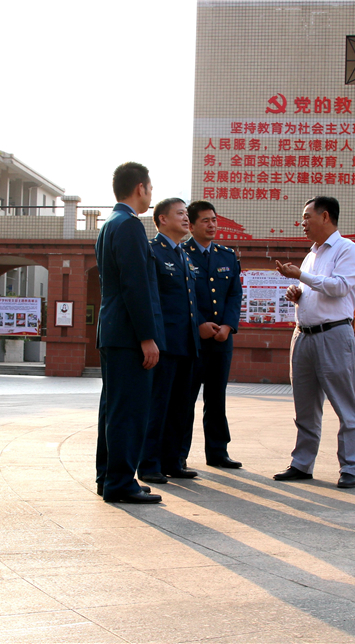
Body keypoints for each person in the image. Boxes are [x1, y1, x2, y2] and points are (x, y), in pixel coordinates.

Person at [273, 196, 355, 489]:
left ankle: (350, 467)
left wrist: (301, 275)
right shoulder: (311, 254)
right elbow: (312, 288)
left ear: (325, 217)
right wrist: (297, 291)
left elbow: (339, 287)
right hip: (303, 336)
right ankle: (302, 463)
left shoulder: (346, 249)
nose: (302, 223)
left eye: (306, 217)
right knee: (305, 407)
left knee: (344, 405)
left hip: (334, 335)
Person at [95, 162, 164, 504]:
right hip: (128, 335)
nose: (151, 194)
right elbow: (135, 286)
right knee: (129, 410)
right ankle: (121, 483)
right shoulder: (130, 226)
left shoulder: (109, 224)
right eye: (150, 188)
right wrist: (147, 337)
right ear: (140, 188)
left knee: (113, 406)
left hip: (112, 330)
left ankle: (108, 477)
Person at [138, 198, 202, 485]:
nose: (186, 219)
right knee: (157, 406)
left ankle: (173, 461)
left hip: (187, 344)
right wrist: (149, 338)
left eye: (187, 214)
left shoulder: (184, 255)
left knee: (181, 407)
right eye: (180, 214)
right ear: (162, 219)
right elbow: (150, 301)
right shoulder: (153, 252)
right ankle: (149, 464)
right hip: (163, 345)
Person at [181, 201, 244, 469]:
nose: (212, 225)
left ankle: (218, 452)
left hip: (221, 340)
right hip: (192, 341)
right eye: (205, 221)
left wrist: (228, 326)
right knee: (184, 400)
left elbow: (234, 294)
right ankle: (177, 455)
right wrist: (198, 326)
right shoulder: (181, 254)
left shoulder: (226, 255)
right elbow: (180, 298)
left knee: (216, 398)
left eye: (214, 220)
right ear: (191, 225)